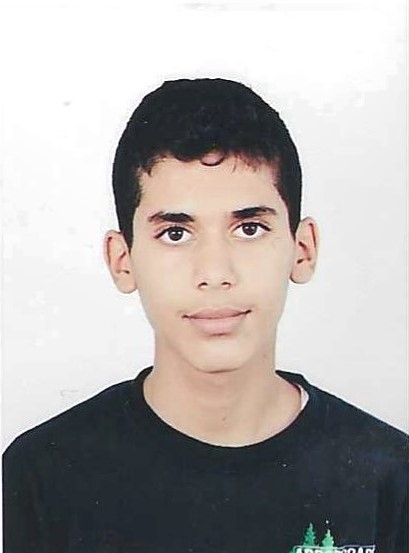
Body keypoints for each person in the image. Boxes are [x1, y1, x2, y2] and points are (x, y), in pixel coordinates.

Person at [3, 78, 407, 553]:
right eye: (175, 234)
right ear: (122, 260)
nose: (215, 273)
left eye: (249, 228)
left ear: (303, 249)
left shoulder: (389, 475)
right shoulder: (42, 474)